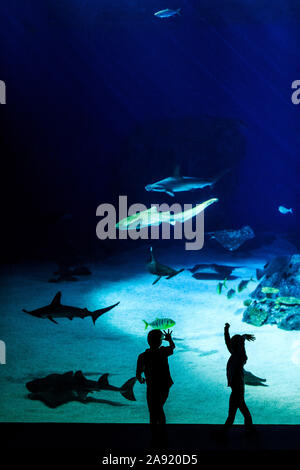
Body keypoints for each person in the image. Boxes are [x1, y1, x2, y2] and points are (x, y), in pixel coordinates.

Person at [136, 329, 175, 444]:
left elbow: (138, 373)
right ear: (160, 342)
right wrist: (170, 339)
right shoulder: (163, 352)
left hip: (152, 387)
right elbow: (172, 347)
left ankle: (155, 437)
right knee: (158, 410)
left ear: (148, 341)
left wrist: (141, 379)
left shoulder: (142, 356)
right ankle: (162, 436)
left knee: (153, 411)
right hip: (164, 386)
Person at [223, 322, 255, 431]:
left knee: (235, 413)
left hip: (238, 389)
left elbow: (240, 344)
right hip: (236, 389)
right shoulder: (234, 353)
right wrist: (226, 329)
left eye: (232, 342)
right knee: (237, 413)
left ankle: (223, 433)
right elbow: (227, 342)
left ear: (236, 344)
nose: (230, 344)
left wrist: (243, 337)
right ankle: (249, 431)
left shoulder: (240, 355)